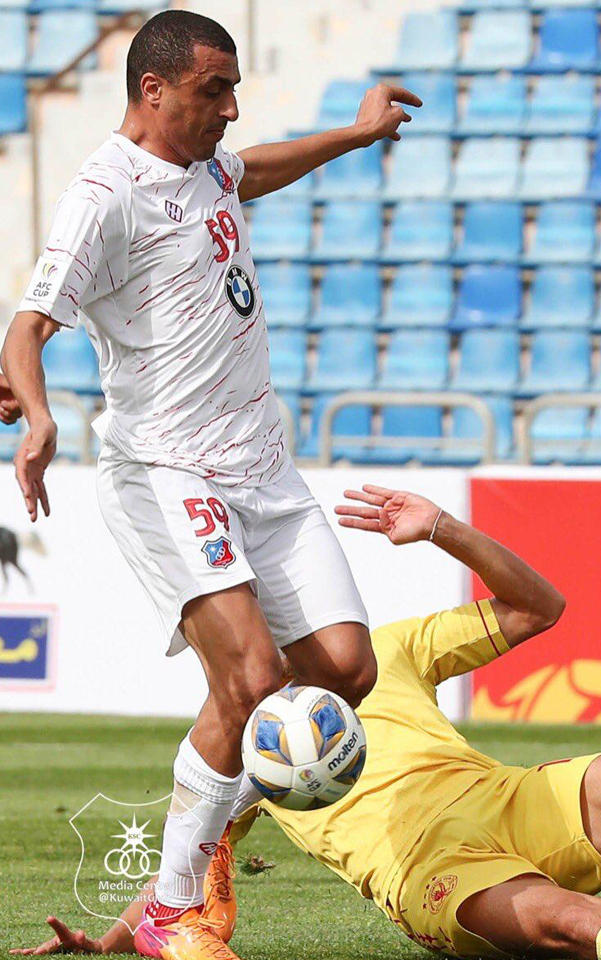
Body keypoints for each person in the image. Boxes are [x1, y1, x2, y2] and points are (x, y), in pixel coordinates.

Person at [12, 484, 601, 960]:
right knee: (570, 924)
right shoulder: (244, 747)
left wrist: (448, 530)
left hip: (514, 801)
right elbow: (181, 860)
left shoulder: (389, 650)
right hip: (436, 878)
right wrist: (110, 938)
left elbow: (542, 609)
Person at [0, 12, 421, 960]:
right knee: (251, 678)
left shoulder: (205, 167)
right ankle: (170, 908)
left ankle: (196, 860)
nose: (229, 110)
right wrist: (37, 416)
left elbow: (254, 170)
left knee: (348, 672)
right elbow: (27, 326)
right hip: (168, 467)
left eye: (232, 90)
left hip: (264, 466)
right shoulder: (103, 195)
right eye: (211, 92)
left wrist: (353, 136)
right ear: (152, 90)